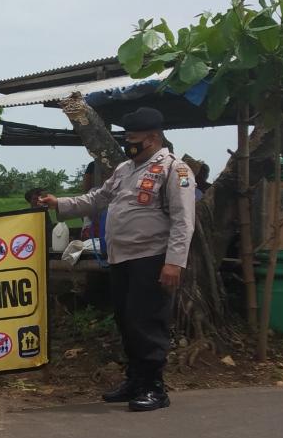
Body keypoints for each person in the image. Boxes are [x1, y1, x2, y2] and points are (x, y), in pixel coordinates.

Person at [37, 108, 195, 412]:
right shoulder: (125, 169)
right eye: (127, 138)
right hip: (121, 258)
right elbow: (97, 199)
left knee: (148, 322)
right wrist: (60, 203)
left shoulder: (174, 170)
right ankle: (135, 380)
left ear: (153, 138)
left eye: (133, 139)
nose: (128, 144)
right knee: (127, 320)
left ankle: (154, 387)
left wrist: (174, 262)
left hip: (152, 258)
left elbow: (183, 220)